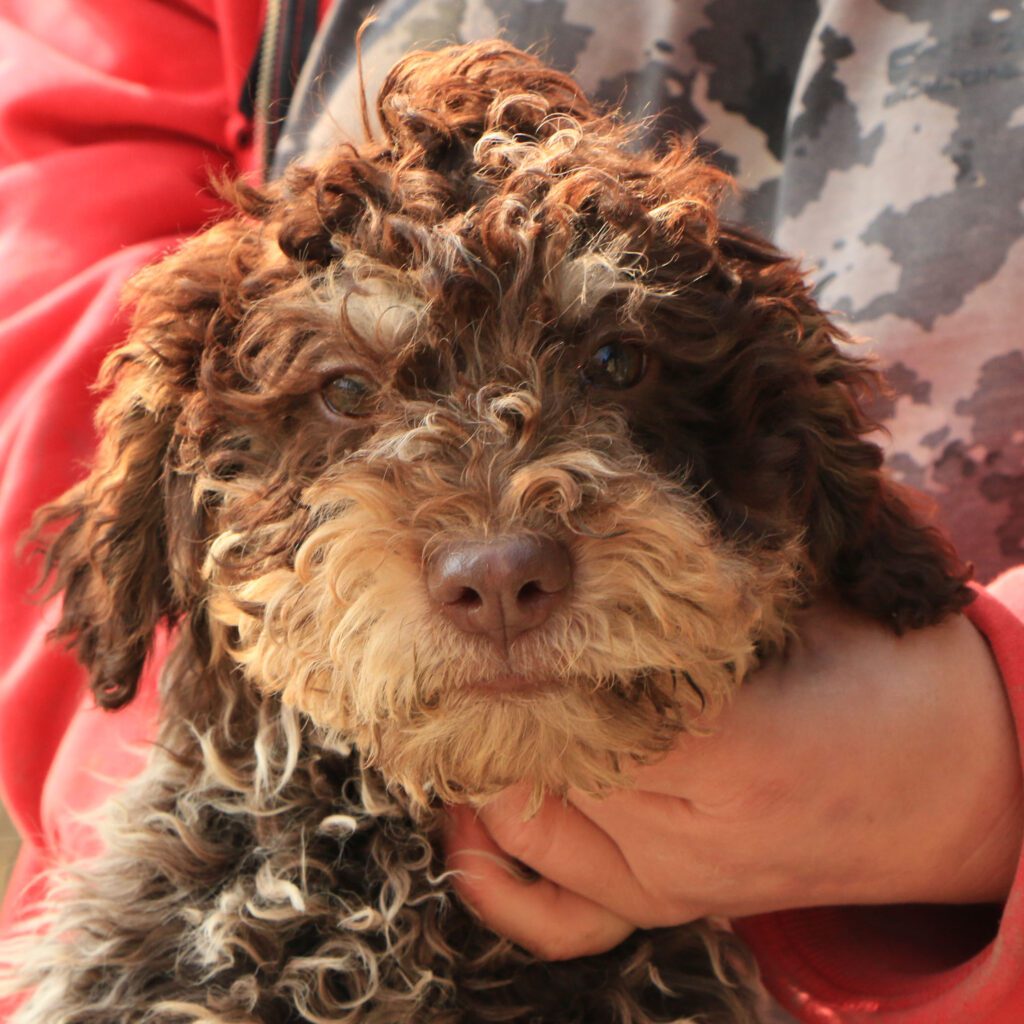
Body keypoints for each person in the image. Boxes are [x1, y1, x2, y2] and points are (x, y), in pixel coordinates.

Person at [1, 2, 1022, 1021]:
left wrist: (987, 763)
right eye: (346, 396)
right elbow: (40, 233)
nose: (498, 549)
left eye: (615, 369)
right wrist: (144, 733)